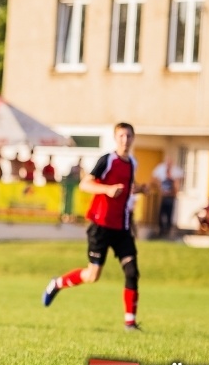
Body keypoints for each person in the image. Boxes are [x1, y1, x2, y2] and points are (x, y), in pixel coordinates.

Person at [42, 123, 145, 331]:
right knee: (92, 275)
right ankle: (58, 283)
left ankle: (130, 323)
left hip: (122, 227)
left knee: (132, 271)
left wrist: (140, 189)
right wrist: (106, 189)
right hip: (101, 225)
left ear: (133, 138)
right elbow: (85, 184)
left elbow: (125, 191)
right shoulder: (108, 160)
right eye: (121, 136)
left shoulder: (133, 162)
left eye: (129, 136)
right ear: (116, 138)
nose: (125, 140)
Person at [152, 157, 183, 238]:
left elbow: (177, 186)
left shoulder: (174, 177)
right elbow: (155, 180)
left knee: (169, 215)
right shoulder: (162, 176)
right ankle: (161, 230)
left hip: (170, 198)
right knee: (161, 214)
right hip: (163, 197)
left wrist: (172, 192)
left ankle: (168, 230)